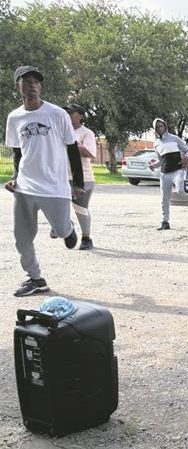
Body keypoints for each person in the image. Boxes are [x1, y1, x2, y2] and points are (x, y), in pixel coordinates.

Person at [4, 66, 84, 296]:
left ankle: (67, 228)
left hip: (54, 186)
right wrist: (15, 177)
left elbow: (72, 148)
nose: (32, 85)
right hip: (25, 186)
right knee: (22, 237)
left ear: (40, 86)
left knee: (62, 232)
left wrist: (78, 182)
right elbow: (18, 152)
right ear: (18, 85)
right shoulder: (14, 117)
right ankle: (35, 279)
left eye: (36, 82)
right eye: (27, 81)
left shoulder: (57, 114)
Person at [64, 103, 96, 250]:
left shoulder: (86, 133)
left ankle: (86, 238)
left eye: (71, 112)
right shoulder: (60, 131)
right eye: (66, 112)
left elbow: (90, 153)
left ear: (80, 116)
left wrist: (72, 143)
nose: (68, 115)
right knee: (56, 205)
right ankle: (65, 226)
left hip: (84, 178)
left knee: (81, 209)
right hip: (62, 177)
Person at [152, 117, 188, 230]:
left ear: (165, 126)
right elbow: (161, 160)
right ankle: (165, 222)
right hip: (165, 173)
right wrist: (154, 166)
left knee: (180, 191)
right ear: (155, 129)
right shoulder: (156, 144)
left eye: (161, 126)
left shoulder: (175, 138)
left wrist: (186, 158)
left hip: (178, 170)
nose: (160, 128)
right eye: (157, 127)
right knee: (164, 199)